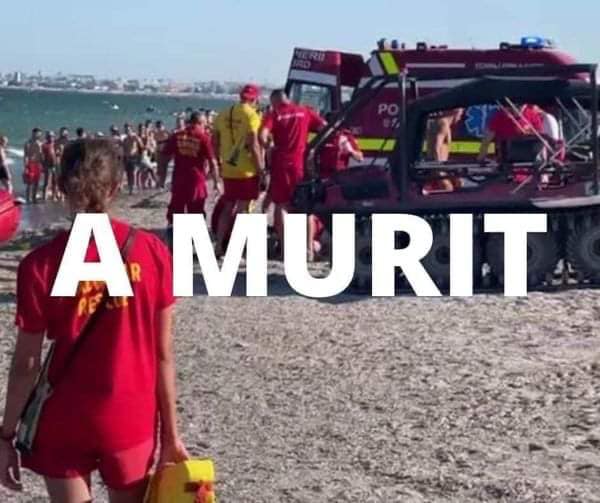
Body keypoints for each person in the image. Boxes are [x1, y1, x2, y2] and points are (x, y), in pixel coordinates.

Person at [0, 138, 189, 502]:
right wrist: (171, 434)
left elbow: (26, 365)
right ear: (117, 186)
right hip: (129, 415)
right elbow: (163, 354)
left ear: (60, 186)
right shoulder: (152, 252)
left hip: (65, 417)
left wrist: (6, 434)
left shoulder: (39, 265)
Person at [260, 89, 326, 258]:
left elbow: (262, 135)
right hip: (300, 164)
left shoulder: (274, 114)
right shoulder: (305, 111)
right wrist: (312, 147)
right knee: (305, 207)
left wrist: (268, 147)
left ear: (275, 101)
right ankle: (308, 250)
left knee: (281, 205)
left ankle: (285, 249)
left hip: (281, 164)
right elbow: (325, 128)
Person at [213, 84, 264, 255]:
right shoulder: (252, 115)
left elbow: (215, 142)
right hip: (246, 169)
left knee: (228, 206)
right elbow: (254, 145)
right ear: (255, 99)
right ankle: (236, 248)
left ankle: (219, 245)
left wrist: (219, 162)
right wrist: (261, 169)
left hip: (228, 168)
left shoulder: (223, 114)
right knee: (243, 209)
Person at [163, 111, 220, 227]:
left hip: (178, 179)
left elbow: (164, 155)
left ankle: (173, 234)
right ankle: (192, 236)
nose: (206, 126)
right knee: (196, 212)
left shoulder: (177, 136)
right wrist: (216, 182)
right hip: (196, 180)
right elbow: (212, 162)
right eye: (205, 123)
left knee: (176, 210)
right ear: (199, 122)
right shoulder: (203, 138)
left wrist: (161, 174)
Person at [478, 104, 543, 163]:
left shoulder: (533, 115)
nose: (517, 108)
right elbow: (487, 140)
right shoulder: (500, 116)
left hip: (530, 158)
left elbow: (540, 139)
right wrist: (481, 157)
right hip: (506, 159)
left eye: (520, 106)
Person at [122, 123, 144, 195]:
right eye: (126, 129)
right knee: (128, 174)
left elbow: (141, 146)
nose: (127, 131)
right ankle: (130, 188)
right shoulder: (125, 139)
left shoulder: (134, 137)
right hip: (127, 158)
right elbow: (124, 148)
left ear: (131, 129)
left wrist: (141, 156)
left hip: (134, 157)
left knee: (133, 173)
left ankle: (134, 187)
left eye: (128, 129)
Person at [23, 128, 44, 204]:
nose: (39, 135)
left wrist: (43, 165)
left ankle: (34, 198)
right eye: (38, 134)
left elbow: (42, 156)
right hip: (30, 164)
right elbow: (25, 156)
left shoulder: (40, 143)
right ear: (33, 133)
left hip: (38, 165)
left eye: (40, 134)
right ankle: (28, 199)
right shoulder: (28, 143)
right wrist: (26, 167)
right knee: (29, 183)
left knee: (36, 182)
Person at [41, 131, 59, 202]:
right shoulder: (44, 145)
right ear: (46, 137)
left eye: (52, 136)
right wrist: (43, 165)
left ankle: (54, 196)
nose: (50, 138)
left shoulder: (55, 144)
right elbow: (42, 156)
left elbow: (58, 154)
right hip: (47, 165)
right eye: (49, 136)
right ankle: (44, 197)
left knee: (55, 181)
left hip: (55, 165)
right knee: (46, 182)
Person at [154, 121, 170, 189]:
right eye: (158, 126)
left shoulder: (167, 132)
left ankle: (162, 183)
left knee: (164, 169)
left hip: (166, 153)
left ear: (163, 126)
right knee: (159, 169)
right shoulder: (155, 133)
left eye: (160, 126)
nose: (159, 128)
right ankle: (158, 183)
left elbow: (171, 141)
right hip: (159, 152)